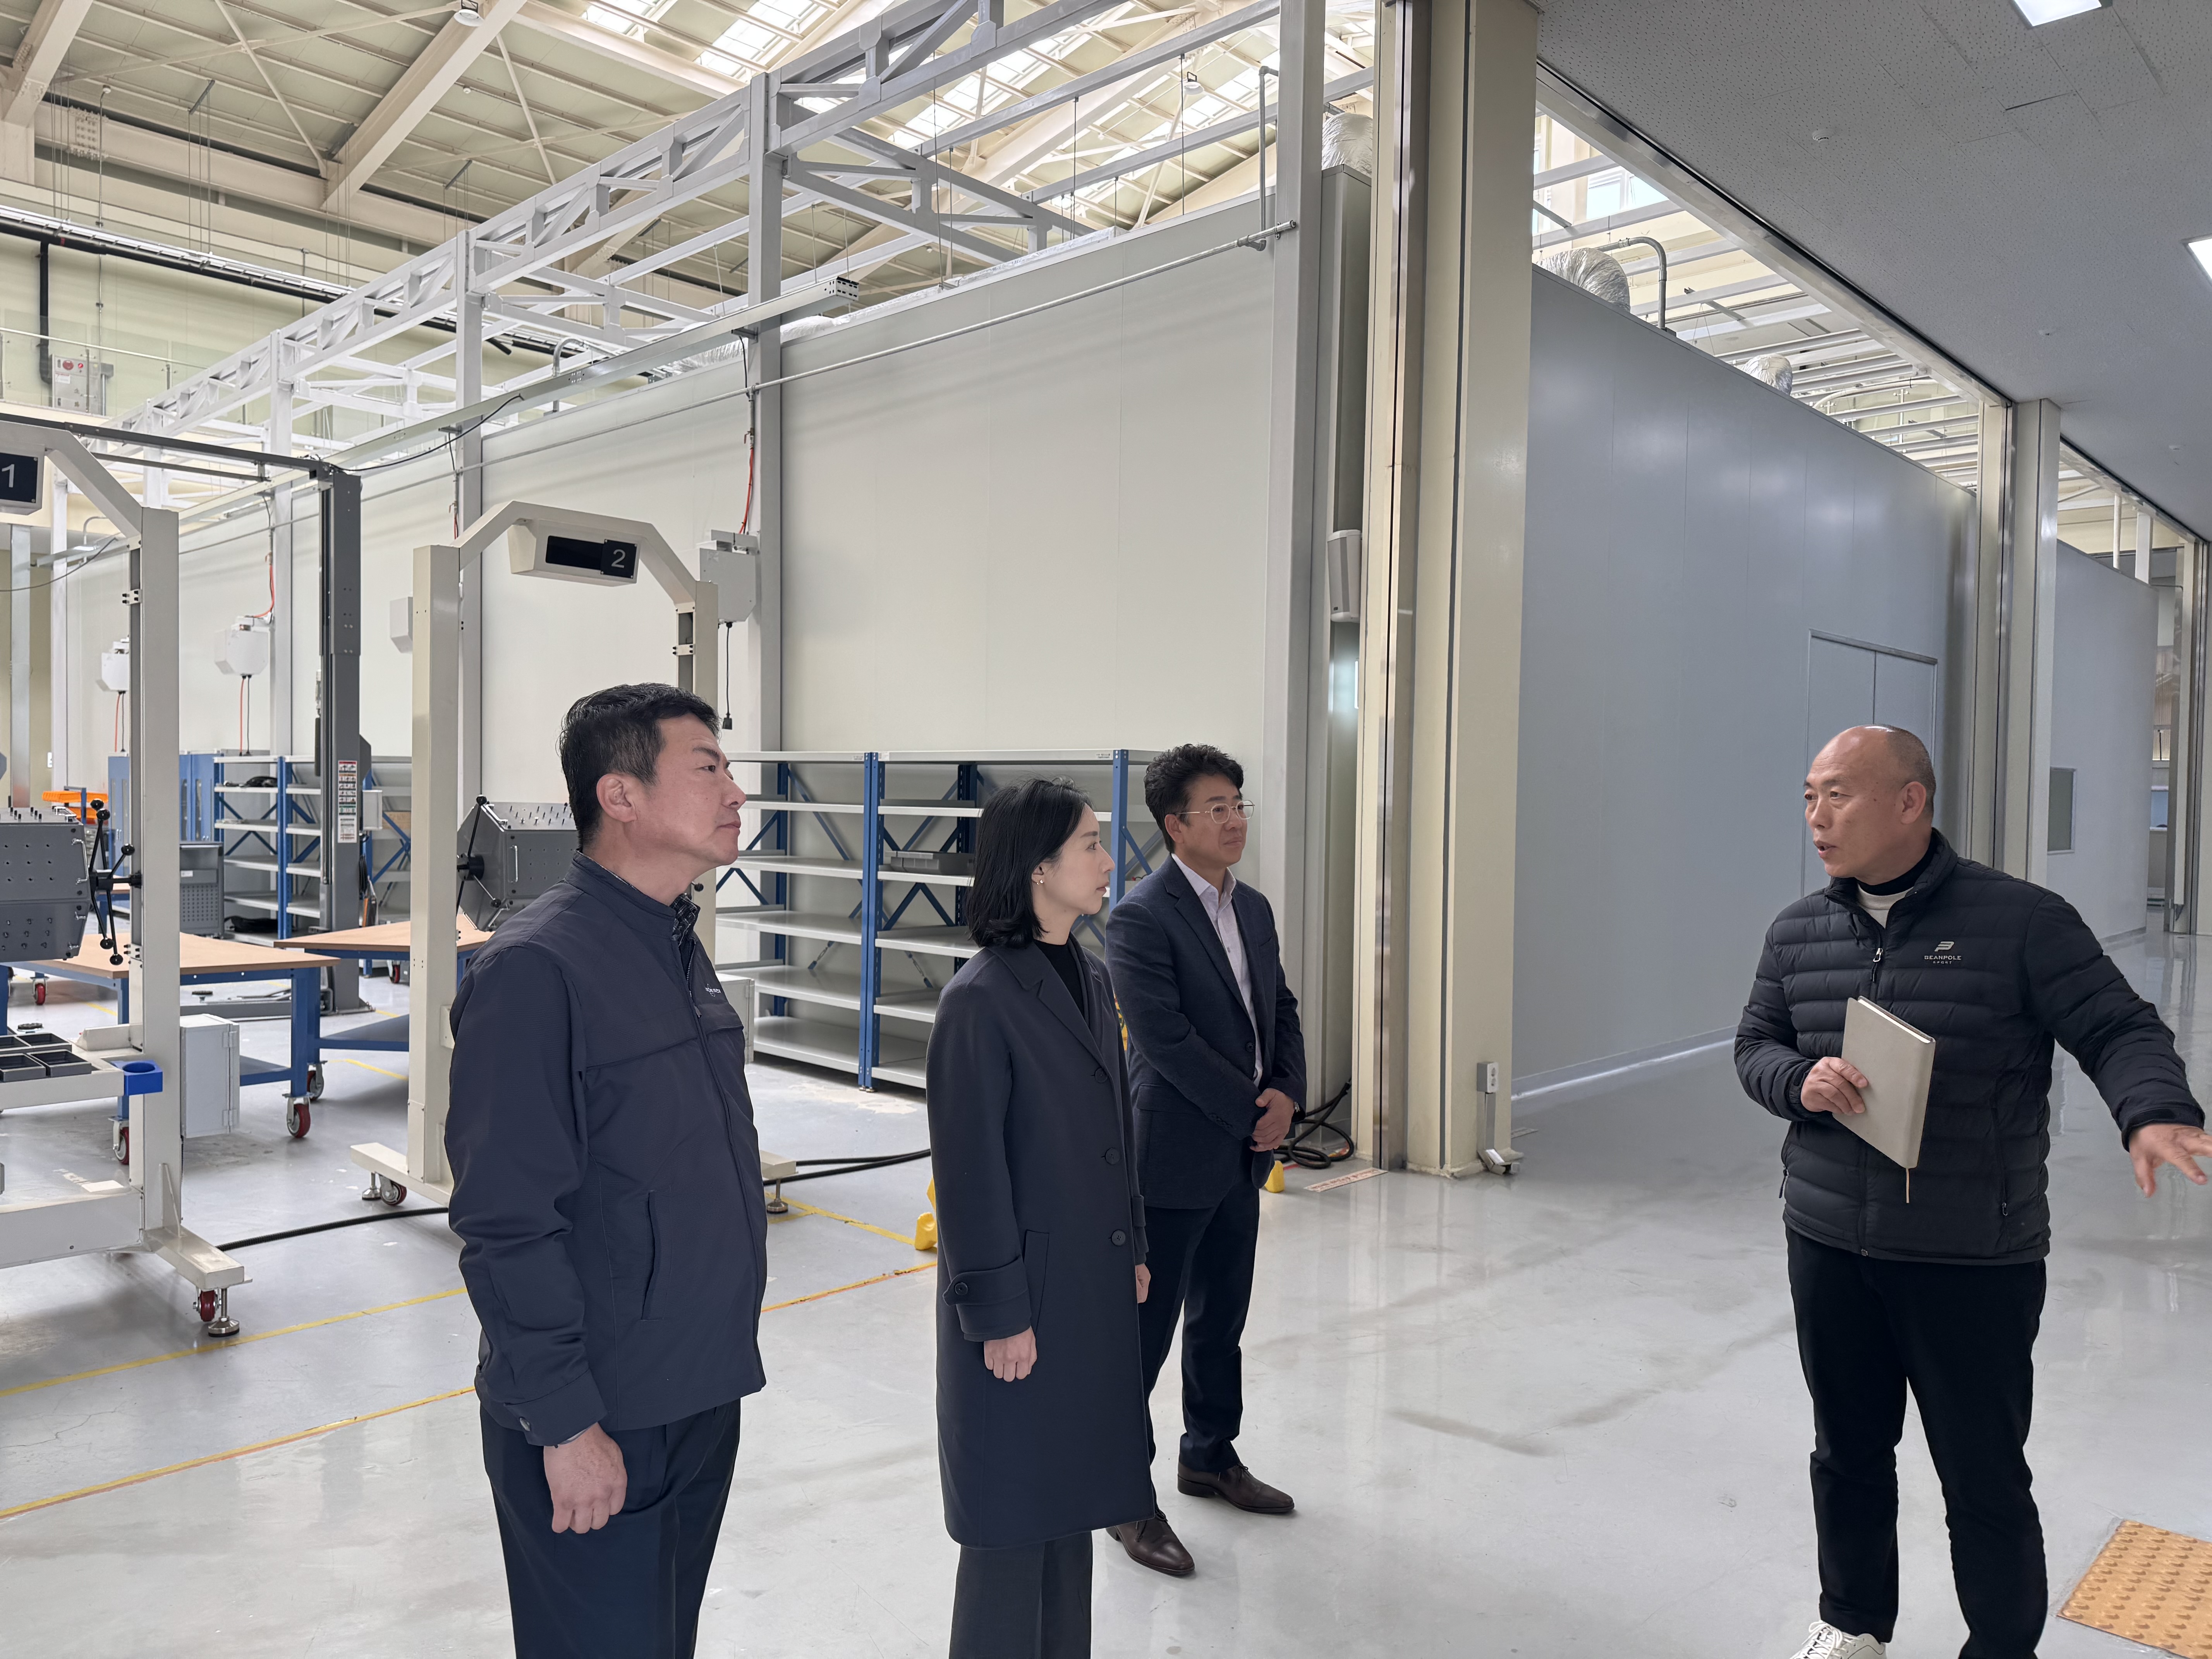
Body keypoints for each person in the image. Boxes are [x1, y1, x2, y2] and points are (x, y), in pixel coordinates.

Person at [1737, 725, 2212, 1659]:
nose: (1817, 817)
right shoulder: (1797, 931)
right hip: (1828, 1241)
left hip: (1968, 1255)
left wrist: (2152, 1110)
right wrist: (1799, 1081)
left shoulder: (2022, 921)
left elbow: (2118, 1026)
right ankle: (1853, 1623)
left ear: (1910, 801)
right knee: (1847, 1453)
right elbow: (1755, 1044)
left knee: (1983, 1476)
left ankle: (2000, 1647)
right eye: (1809, 797)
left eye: (1838, 795)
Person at [446, 683, 768, 1659]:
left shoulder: (672, 944)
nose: (735, 792)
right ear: (620, 796)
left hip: (696, 1390)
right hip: (602, 1412)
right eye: (707, 769)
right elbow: (506, 1220)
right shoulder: (536, 970)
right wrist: (564, 1424)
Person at [927, 776, 1154, 1659]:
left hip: (1087, 1290)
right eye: (1091, 844)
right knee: (1011, 1520)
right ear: (1037, 869)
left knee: (1070, 1506)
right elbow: (970, 1174)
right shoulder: (979, 1000)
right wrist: (999, 1315)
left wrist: (1134, 1244)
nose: (1107, 861)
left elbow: (1117, 1130)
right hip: (1022, 1302)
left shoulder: (1090, 977)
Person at [1101, 744, 1305, 1578]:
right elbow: (1166, 1042)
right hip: (1176, 1155)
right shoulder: (1140, 918)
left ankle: (1210, 1456)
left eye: (1238, 805)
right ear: (1174, 824)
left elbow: (1278, 1006)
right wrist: (1253, 1112)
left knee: (1222, 1319)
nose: (1233, 820)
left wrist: (1287, 1092)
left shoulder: (1251, 907)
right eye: (1215, 808)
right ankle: (1123, 1496)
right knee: (1143, 1335)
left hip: (1240, 1155)